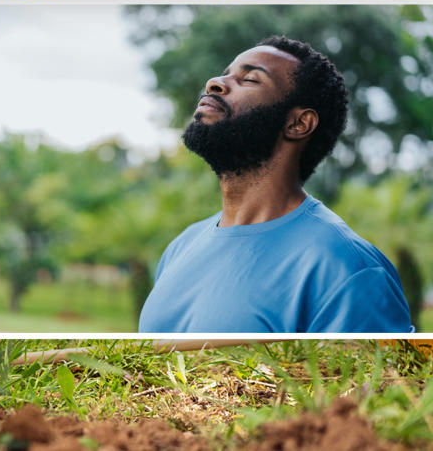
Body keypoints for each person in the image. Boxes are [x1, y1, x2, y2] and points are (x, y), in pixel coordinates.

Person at [138, 37, 413, 334]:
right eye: (225, 72)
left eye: (250, 79)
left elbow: (376, 379)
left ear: (298, 124)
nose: (215, 83)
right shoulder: (182, 247)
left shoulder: (347, 268)